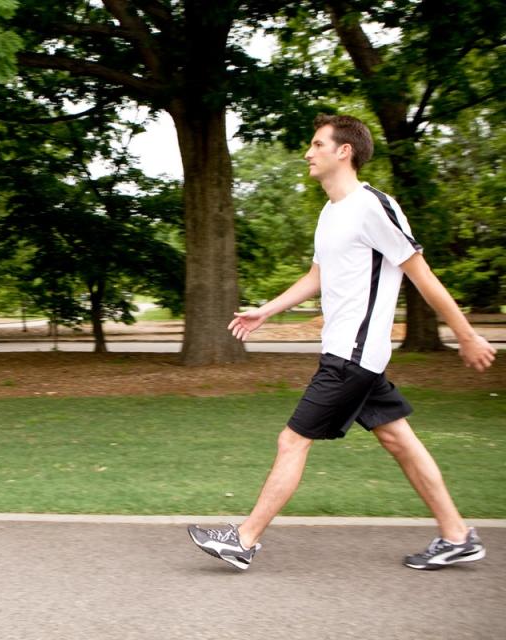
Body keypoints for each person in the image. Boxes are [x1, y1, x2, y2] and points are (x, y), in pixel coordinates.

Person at [188, 114, 496, 572]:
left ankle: (244, 539)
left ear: (343, 151)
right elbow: (318, 275)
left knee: (292, 441)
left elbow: (421, 274)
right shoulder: (331, 212)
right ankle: (457, 535)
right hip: (351, 353)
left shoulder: (374, 206)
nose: (308, 153)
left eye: (316, 144)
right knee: (400, 441)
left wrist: (465, 334)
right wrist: (268, 310)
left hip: (354, 355)